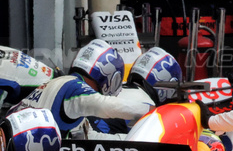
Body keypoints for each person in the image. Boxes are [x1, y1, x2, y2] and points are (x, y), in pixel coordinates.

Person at [17, 39, 153, 137]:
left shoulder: (60, 84)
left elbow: (89, 139)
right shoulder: (73, 88)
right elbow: (107, 106)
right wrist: (155, 111)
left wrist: (139, 141)